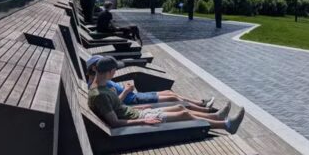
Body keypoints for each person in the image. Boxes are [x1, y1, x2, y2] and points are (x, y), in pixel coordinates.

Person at [88, 56, 244, 133]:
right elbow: (115, 123)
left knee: (179, 107)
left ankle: (216, 116)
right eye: (115, 70)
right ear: (110, 71)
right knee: (184, 114)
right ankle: (227, 125)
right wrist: (144, 120)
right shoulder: (100, 95)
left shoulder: (102, 87)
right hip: (140, 118)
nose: (115, 72)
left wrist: (141, 107)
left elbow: (118, 107)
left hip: (138, 112)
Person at [85, 56, 216, 109]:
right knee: (173, 98)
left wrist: (125, 89)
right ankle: (204, 108)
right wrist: (126, 91)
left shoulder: (100, 80)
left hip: (133, 95)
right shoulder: (96, 86)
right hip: (133, 100)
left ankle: (201, 103)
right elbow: (114, 104)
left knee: (169, 92)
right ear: (95, 68)